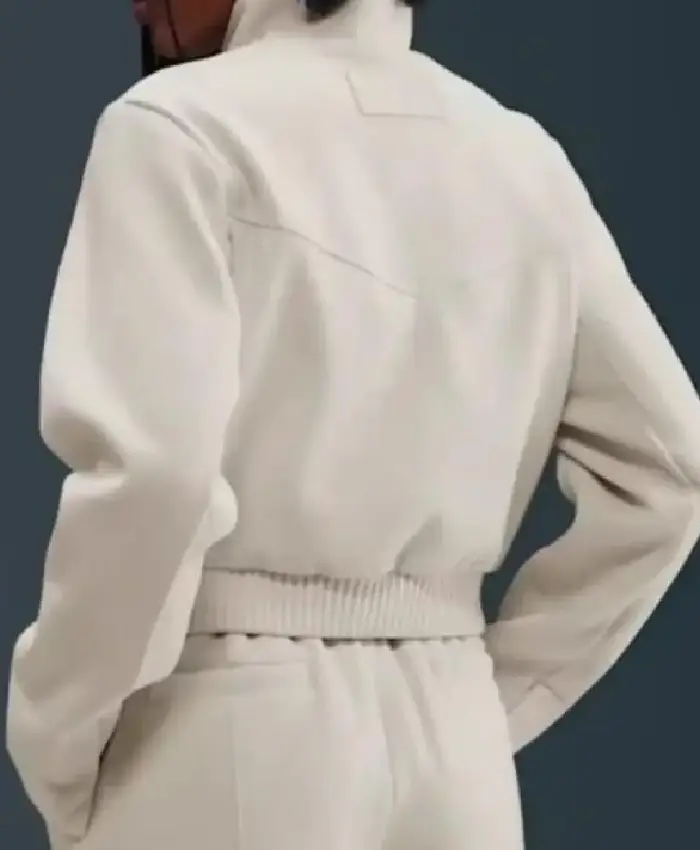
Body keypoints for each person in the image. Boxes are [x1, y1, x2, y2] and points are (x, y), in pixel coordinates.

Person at [7, 0, 700, 848]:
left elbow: (156, 483)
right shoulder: (524, 160)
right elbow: (673, 469)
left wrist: (56, 740)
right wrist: (489, 697)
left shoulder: (178, 129)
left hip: (223, 735)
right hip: (457, 749)